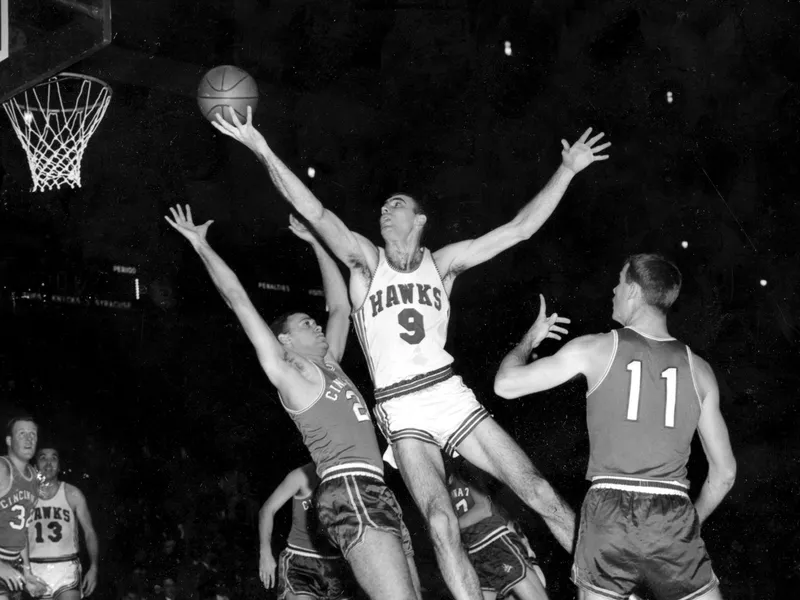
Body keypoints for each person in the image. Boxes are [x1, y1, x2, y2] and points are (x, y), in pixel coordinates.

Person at [211, 107, 610, 600]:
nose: (384, 209)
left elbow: (518, 229)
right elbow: (316, 213)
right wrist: (260, 146)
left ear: (419, 219)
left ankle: (606, 591)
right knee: (441, 523)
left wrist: (567, 170)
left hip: (448, 394)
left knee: (539, 491)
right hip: (401, 409)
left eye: (395, 204)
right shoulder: (365, 261)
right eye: (382, 205)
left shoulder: (443, 266)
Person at [165, 205, 420, 600]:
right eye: (305, 324)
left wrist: (316, 243)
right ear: (285, 340)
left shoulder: (330, 362)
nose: (315, 324)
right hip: (349, 488)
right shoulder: (292, 375)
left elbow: (339, 308)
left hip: (376, 489)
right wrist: (201, 245)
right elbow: (238, 299)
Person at [493, 254, 737, 600]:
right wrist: (688, 521)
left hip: (608, 512)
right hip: (671, 510)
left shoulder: (596, 348)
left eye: (620, 282)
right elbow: (725, 473)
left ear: (635, 291)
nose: (613, 289)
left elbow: (505, 385)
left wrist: (530, 339)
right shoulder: (699, 370)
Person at [446, 458, 548, 600]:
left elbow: (484, 509)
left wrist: (451, 525)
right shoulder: (448, 485)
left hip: (499, 546)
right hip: (479, 551)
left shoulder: (465, 472)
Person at [258, 463, 356, 600]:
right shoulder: (301, 476)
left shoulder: (349, 476)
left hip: (336, 564)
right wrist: (265, 553)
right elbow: (267, 510)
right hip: (301, 563)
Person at [29, 446, 99, 600]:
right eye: (43, 458)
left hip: (66, 566)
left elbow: (89, 532)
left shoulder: (72, 493)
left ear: (59, 466)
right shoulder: (25, 496)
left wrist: (94, 567)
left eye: (53, 458)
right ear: (35, 466)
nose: (48, 463)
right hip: (35, 568)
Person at [0, 416, 47, 599]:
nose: (29, 439)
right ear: (9, 441)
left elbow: (22, 530)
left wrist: (27, 572)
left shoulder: (33, 478)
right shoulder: (3, 469)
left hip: (14, 565)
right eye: (22, 434)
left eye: (32, 434)